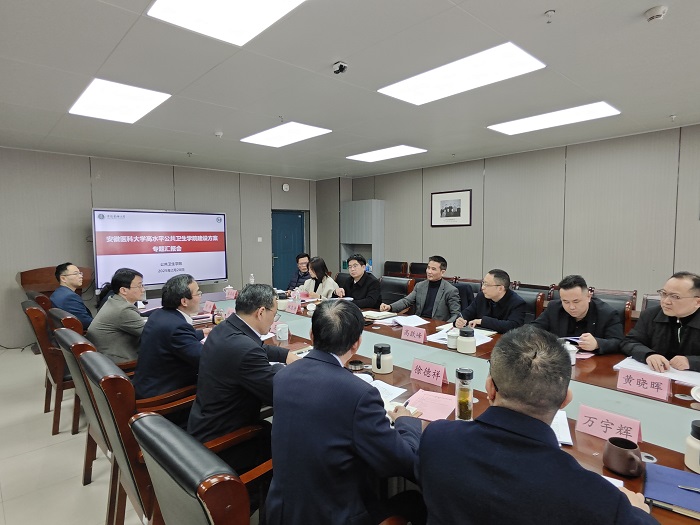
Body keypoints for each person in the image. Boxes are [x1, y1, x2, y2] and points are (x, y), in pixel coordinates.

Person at [419, 325, 657, 525]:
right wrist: (637, 511)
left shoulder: (437, 438)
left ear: (490, 388)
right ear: (566, 400)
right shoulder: (596, 497)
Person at [266, 300, 425, 525]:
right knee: (415, 501)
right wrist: (406, 422)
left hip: (282, 511)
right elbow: (402, 462)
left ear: (311, 334)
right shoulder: (359, 394)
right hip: (333, 515)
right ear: (357, 343)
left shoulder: (282, 376)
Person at [188, 284, 299, 473]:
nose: (274, 319)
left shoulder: (225, 328)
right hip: (226, 442)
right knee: (294, 442)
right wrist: (283, 368)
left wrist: (285, 355)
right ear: (261, 312)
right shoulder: (245, 350)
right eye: (274, 314)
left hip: (205, 422)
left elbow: (256, 348)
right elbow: (277, 392)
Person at [132, 274, 211, 399]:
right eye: (198, 293)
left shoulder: (159, 314)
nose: (200, 296)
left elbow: (172, 338)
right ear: (184, 301)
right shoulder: (178, 327)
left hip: (147, 385)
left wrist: (204, 333)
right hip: (162, 396)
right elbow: (205, 359)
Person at [621, 271, 700, 372]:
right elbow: (629, 342)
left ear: (697, 302)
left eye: (675, 297)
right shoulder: (651, 314)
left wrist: (691, 362)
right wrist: (648, 354)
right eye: (664, 294)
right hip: (657, 375)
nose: (666, 301)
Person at [532, 274, 623, 353]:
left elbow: (619, 342)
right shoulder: (554, 308)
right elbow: (532, 329)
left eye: (576, 301)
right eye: (566, 302)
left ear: (588, 297)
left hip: (592, 364)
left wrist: (597, 344)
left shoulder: (607, 313)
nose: (571, 307)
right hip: (560, 360)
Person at [86, 268, 146, 363]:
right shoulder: (123, 310)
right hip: (119, 362)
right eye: (139, 286)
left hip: (103, 358)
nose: (143, 290)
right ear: (123, 290)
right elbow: (151, 333)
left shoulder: (113, 300)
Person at [380, 255, 460, 322]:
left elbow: (455, 314)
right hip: (419, 323)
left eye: (433, 269)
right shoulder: (420, 286)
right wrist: (390, 307)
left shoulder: (450, 290)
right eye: (428, 268)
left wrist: (445, 326)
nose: (429, 272)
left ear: (442, 272)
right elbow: (406, 301)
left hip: (436, 326)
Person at [454, 269, 525, 333]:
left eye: (487, 285)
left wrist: (483, 321)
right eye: (483, 283)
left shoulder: (517, 303)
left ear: (500, 288)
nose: (482, 288)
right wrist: (459, 320)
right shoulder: (481, 296)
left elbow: (513, 326)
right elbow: (466, 313)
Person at [51, 262, 93, 328]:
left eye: (80, 273)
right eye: (76, 273)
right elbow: (86, 322)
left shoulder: (58, 293)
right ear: (63, 278)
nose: (81, 276)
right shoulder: (70, 297)